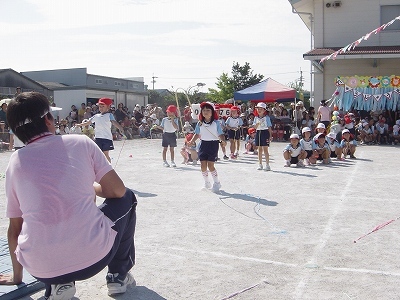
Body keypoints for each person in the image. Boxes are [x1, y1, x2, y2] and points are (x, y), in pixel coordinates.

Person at [1, 92, 137, 299]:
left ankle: (58, 285)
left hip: (42, 269)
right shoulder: (80, 142)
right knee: (128, 198)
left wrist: (17, 278)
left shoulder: (15, 162)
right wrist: (90, 187)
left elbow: (15, 228)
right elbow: (117, 191)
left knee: (46, 221)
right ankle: (118, 275)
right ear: (48, 119)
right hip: (93, 258)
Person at [189, 102, 226, 192]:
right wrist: (191, 141)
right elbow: (197, 134)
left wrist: (223, 141)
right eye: (204, 110)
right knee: (203, 165)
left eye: (208, 110)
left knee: (210, 165)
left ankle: (217, 183)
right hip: (203, 144)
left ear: (212, 112)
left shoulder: (216, 123)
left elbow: (220, 133)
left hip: (213, 144)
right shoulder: (200, 123)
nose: (205, 112)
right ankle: (206, 182)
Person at [76, 98, 125, 163]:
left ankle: (109, 168)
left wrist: (120, 128)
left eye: (103, 106)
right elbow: (88, 122)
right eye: (100, 106)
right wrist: (79, 125)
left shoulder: (109, 115)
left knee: (106, 154)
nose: (101, 108)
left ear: (108, 107)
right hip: (98, 138)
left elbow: (114, 122)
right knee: (99, 154)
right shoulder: (96, 116)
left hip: (107, 138)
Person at [252, 102, 273, 171]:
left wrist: (270, 135)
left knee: (265, 149)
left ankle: (267, 164)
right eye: (258, 109)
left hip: (265, 132)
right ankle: (260, 164)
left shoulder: (267, 118)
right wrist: (257, 124)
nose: (259, 110)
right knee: (259, 149)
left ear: (264, 110)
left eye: (261, 109)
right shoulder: (255, 118)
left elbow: (269, 127)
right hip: (258, 132)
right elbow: (254, 127)